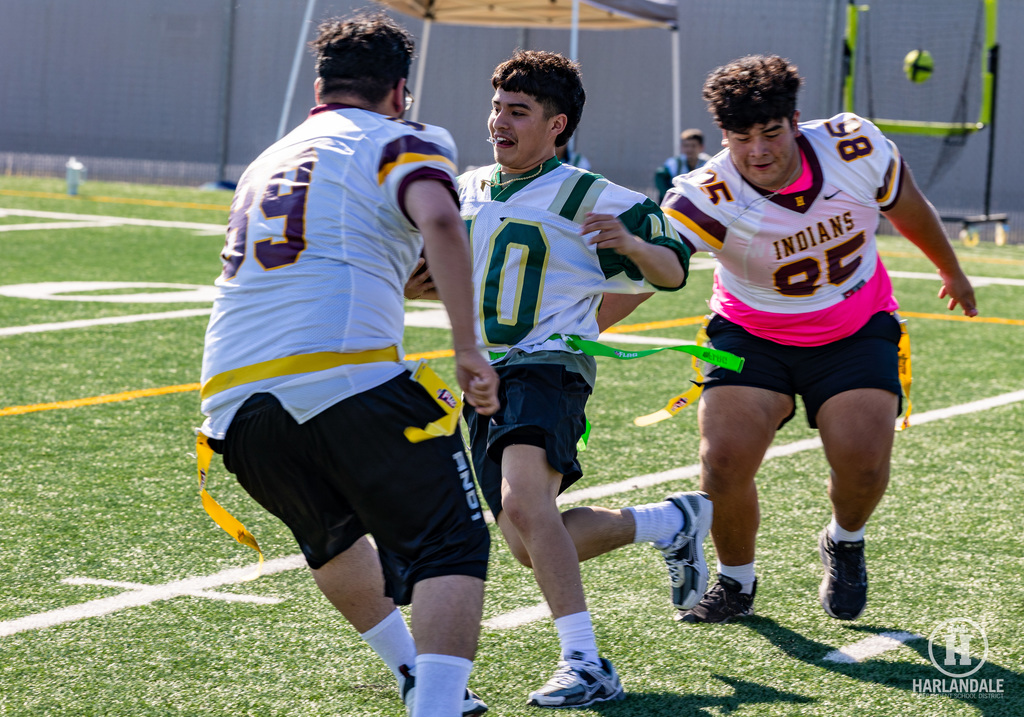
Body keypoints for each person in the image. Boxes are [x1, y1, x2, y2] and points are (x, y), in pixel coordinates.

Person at [197, 13, 499, 717]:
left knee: (331, 538)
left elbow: (312, 261)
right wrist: (466, 346)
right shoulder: (402, 138)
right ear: (400, 91)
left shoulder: (270, 156)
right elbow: (443, 221)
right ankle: (438, 706)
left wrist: (391, 274)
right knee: (451, 542)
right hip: (342, 372)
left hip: (233, 405)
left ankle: (410, 674)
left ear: (320, 86)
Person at [659, 55, 978, 623]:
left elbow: (907, 207)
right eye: (740, 137)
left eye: (771, 133)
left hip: (852, 328)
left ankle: (844, 539)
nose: (758, 151)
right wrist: (583, 324)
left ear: (796, 121)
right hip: (751, 332)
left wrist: (950, 269)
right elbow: (654, 269)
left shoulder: (852, 146)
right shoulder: (707, 192)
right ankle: (736, 581)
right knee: (723, 461)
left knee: (862, 465)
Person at [444, 49, 711, 708]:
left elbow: (673, 271)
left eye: (518, 112)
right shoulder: (466, 185)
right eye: (498, 108)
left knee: (528, 505)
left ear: (558, 125)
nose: (498, 122)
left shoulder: (592, 195)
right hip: (484, 373)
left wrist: (633, 244)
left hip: (549, 365)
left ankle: (586, 662)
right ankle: (670, 521)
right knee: (527, 540)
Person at [654, 128, 711, 202]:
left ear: (701, 147)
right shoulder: (674, 163)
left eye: (693, 146)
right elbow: (660, 177)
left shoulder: (708, 164)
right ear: (681, 147)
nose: (689, 149)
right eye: (686, 146)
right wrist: (669, 197)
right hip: (676, 203)